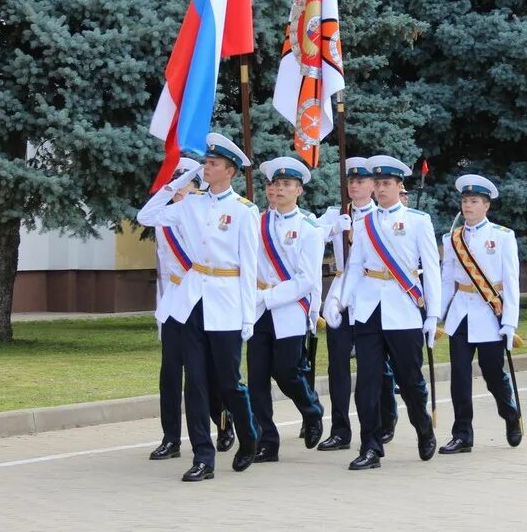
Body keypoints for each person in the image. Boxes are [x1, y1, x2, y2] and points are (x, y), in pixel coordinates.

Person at [136, 134, 260, 482]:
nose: (206, 168)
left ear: (230, 171)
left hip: (226, 302)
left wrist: (247, 317)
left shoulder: (244, 211)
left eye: (212, 164)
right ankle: (203, 457)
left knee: (229, 382)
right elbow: (147, 216)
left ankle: (248, 437)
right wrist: (178, 180)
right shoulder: (191, 204)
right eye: (205, 163)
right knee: (195, 383)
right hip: (192, 301)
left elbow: (249, 268)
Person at [330, 154, 441, 471]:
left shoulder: (418, 221)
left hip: (403, 309)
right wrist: (341, 301)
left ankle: (423, 427)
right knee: (367, 382)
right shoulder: (364, 223)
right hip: (368, 310)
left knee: (409, 381)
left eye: (386, 183)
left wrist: (432, 316)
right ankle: (371, 447)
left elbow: (431, 270)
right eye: (376, 183)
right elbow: (355, 267)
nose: (380, 188)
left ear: (398, 186)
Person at [146, 159, 235, 461]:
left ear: (198, 190)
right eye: (176, 187)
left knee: (206, 372)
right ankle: (171, 438)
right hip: (175, 301)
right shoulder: (167, 217)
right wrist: (169, 186)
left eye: (186, 186)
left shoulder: (202, 215)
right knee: (170, 372)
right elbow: (146, 215)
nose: (179, 192)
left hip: (204, 298)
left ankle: (223, 424)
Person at [317, 157, 399, 451]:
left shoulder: (381, 216)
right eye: (350, 181)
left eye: (361, 181)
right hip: (342, 290)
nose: (354, 186)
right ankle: (340, 429)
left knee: (375, 366)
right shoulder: (334, 213)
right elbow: (308, 238)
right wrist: (330, 229)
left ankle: (385, 418)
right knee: (338, 365)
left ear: (373, 186)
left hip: (371, 292)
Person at [247, 157, 325, 462]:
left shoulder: (309, 228)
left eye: (286, 185)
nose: (278, 189)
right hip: (256, 309)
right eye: (274, 184)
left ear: (299, 191)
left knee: (286, 372)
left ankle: (312, 409)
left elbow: (307, 279)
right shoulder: (255, 223)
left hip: (289, 309)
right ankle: (267, 440)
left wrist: (269, 297)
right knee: (256, 378)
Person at [437, 174, 522, 454]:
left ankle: (510, 414)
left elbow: (511, 283)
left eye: (474, 201)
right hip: (461, 314)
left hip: (489, 314)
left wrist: (509, 322)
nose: (468, 205)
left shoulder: (502, 236)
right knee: (459, 376)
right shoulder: (453, 238)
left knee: (493, 375)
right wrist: (435, 315)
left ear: (486, 206)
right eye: (464, 200)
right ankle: (462, 434)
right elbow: (447, 277)